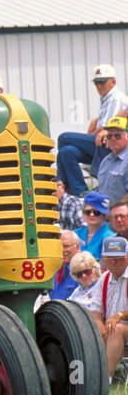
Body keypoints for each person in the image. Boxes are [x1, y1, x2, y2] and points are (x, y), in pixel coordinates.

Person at [57, 65, 128, 196]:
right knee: (66, 151)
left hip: (109, 143)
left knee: (64, 138)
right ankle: (80, 193)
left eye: (102, 82)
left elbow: (107, 128)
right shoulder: (106, 100)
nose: (99, 86)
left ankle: (61, 183)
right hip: (101, 145)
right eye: (96, 83)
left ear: (113, 82)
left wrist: (93, 134)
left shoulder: (115, 98)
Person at [87, 236, 128, 380]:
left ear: (127, 257)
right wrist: (98, 323)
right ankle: (82, 378)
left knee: (116, 329)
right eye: (110, 258)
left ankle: (105, 379)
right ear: (103, 259)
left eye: (118, 258)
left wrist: (120, 315)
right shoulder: (104, 278)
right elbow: (95, 309)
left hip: (122, 326)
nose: (114, 262)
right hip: (111, 325)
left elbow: (117, 319)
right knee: (92, 329)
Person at [94, 117, 128, 204]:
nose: (113, 139)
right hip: (108, 214)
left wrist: (115, 211)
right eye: (109, 136)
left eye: (117, 136)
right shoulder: (105, 161)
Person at [76, 191, 114, 258]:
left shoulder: (110, 238)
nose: (91, 214)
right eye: (87, 212)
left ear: (104, 215)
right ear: (83, 213)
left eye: (96, 212)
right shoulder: (75, 234)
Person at [48, 230, 81, 301]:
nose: (62, 250)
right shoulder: (53, 269)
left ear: (77, 247)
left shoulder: (83, 270)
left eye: (66, 246)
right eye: (59, 246)